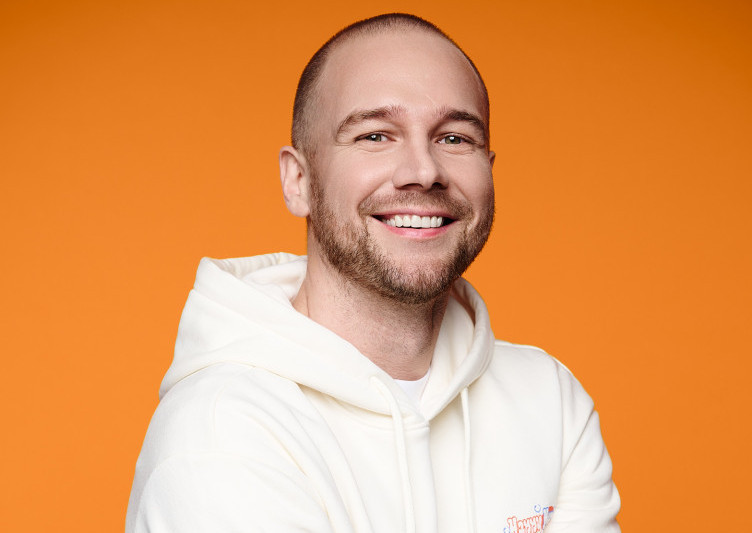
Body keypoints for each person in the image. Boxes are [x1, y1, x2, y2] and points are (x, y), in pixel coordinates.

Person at [126, 13, 620, 533]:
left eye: (454, 139)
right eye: (376, 135)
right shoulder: (220, 429)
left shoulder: (550, 400)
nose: (423, 172)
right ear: (298, 180)